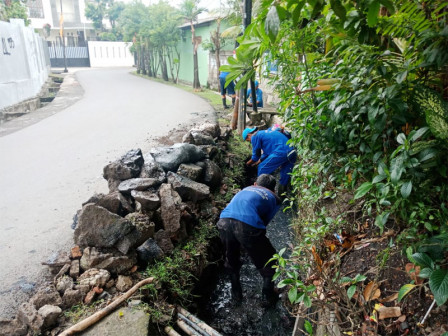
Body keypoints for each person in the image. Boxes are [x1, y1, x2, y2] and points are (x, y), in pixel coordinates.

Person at [217, 174, 281, 307]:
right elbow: (263, 223)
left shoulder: (245, 189)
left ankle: (236, 296)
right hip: (247, 225)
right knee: (271, 260)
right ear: (273, 189)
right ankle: (267, 298)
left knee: (231, 260)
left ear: (256, 184)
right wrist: (250, 243)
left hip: (223, 221)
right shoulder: (273, 198)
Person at [242, 126, 296, 195]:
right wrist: (256, 163)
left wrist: (247, 164)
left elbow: (255, 156)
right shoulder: (265, 133)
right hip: (292, 151)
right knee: (285, 174)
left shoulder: (254, 136)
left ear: (248, 135)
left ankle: (261, 194)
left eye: (248, 140)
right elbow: (266, 154)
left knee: (262, 168)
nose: (250, 142)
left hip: (281, 151)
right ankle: (282, 195)